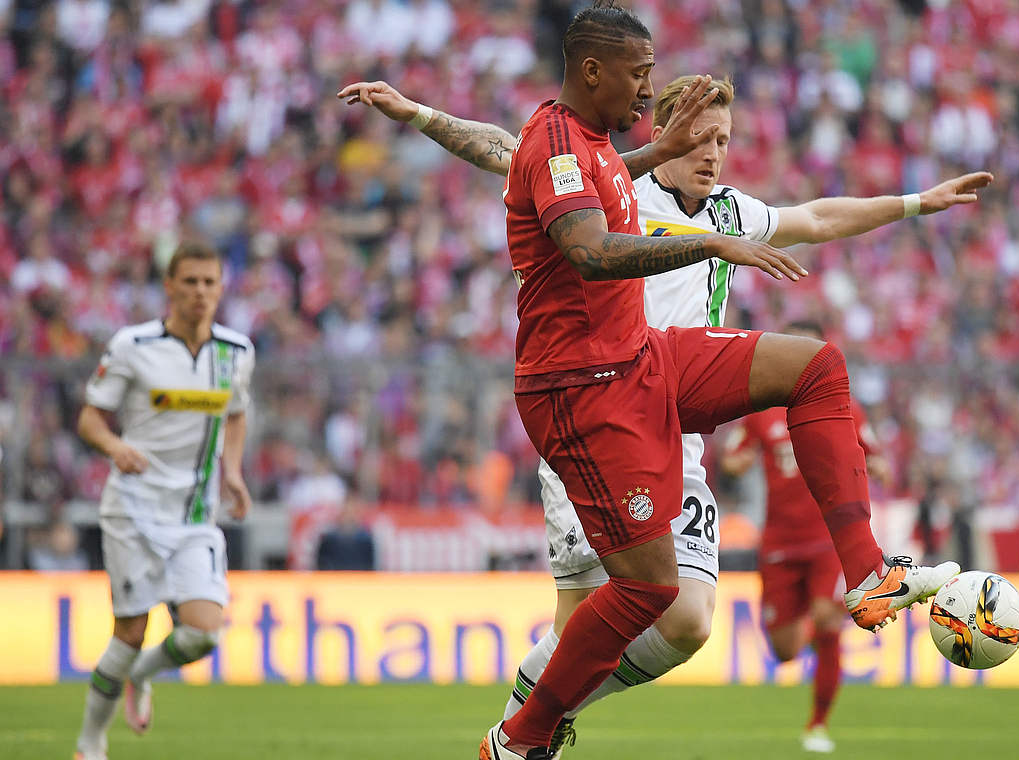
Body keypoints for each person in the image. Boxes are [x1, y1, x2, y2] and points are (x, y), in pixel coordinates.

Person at [345, 4, 970, 757]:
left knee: (691, 617)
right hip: (595, 402)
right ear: (658, 127)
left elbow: (817, 217)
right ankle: (526, 729)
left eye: (724, 142)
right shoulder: (596, 174)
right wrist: (415, 112)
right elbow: (508, 158)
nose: (713, 155)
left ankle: (866, 572)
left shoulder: (713, 200)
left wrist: (913, 202)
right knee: (598, 614)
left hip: (665, 390)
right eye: (700, 138)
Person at [72, 243, 254, 760]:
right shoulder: (133, 345)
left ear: (221, 289)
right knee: (129, 630)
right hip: (133, 506)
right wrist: (114, 446)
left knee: (203, 634)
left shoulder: (236, 351)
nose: (199, 292)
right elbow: (89, 417)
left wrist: (233, 472)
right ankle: (90, 745)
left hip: (196, 512)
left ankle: (143, 676)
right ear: (169, 287)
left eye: (209, 283)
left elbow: (236, 413)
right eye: (190, 281)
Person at [722, 320, 890, 753]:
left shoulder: (845, 407)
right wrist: (736, 460)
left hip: (826, 538)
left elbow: (876, 457)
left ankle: (817, 724)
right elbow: (734, 459)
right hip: (778, 540)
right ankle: (824, 626)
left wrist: (874, 468)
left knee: (827, 618)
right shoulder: (762, 411)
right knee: (783, 651)